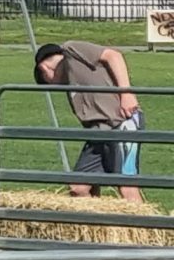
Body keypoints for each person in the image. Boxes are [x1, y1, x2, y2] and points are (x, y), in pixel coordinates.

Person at [36, 41, 147, 206]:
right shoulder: (71, 82)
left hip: (122, 123)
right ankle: (98, 220)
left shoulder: (71, 49)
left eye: (47, 82)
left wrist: (126, 93)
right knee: (78, 187)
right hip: (97, 133)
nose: (54, 85)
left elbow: (113, 55)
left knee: (126, 186)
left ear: (44, 69)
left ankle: (143, 220)